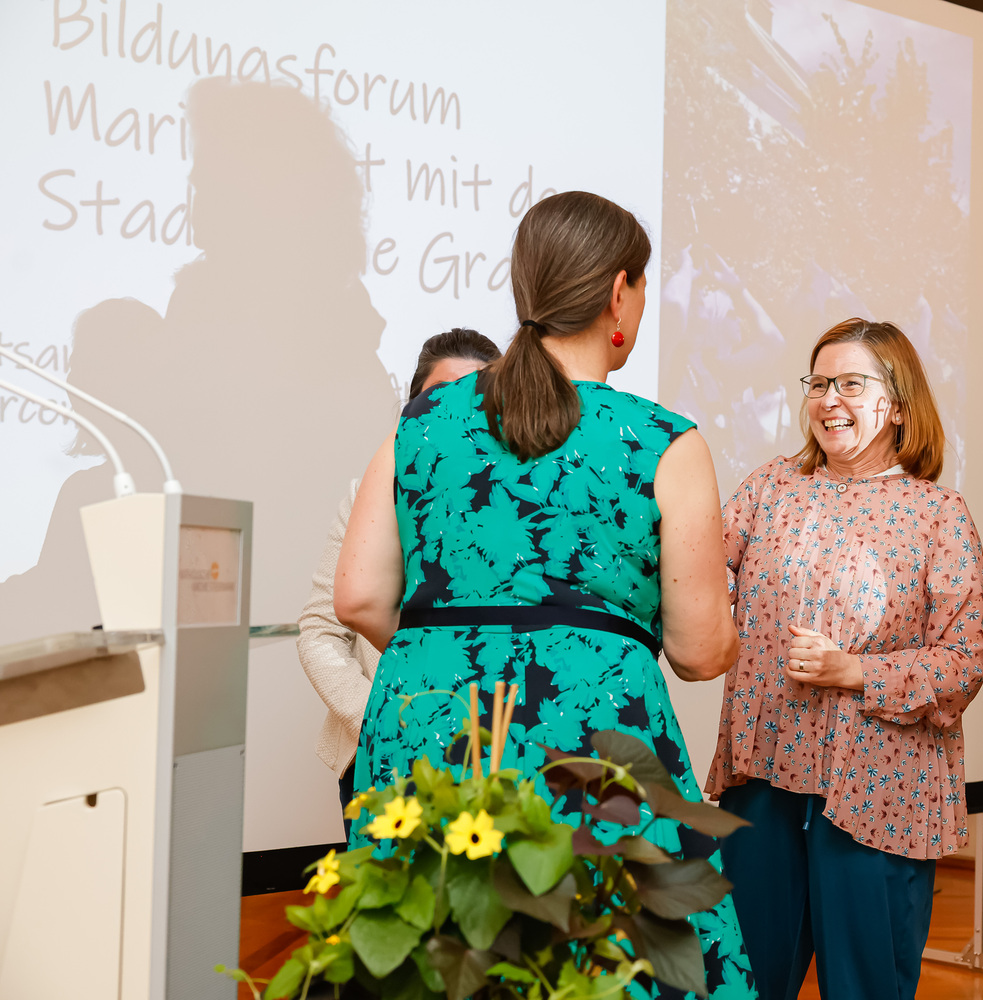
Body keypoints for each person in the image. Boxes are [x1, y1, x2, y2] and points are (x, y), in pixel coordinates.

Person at [333, 191, 754, 997]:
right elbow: (702, 652)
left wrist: (457, 657)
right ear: (619, 293)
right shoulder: (664, 441)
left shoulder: (419, 423)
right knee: (602, 964)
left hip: (431, 722)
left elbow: (355, 597)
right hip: (590, 733)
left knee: (432, 957)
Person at [707, 318, 983, 1000]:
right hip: (765, 772)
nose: (829, 399)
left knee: (865, 987)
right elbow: (699, 577)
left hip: (879, 787)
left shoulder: (938, 514)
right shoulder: (770, 487)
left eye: (851, 384)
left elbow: (964, 659)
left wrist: (856, 673)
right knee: (743, 981)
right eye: (819, 383)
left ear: (898, 404)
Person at [297, 328, 501, 834]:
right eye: (441, 397)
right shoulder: (370, 495)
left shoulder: (520, 504)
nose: (460, 411)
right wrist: (383, 719)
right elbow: (319, 632)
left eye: (478, 397)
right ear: (412, 409)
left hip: (493, 750)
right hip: (383, 749)